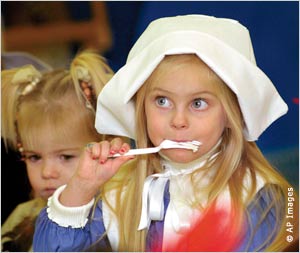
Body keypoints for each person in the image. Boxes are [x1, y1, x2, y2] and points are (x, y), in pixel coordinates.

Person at [33, 15, 299, 252]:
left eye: (198, 103)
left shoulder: (259, 200)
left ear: (232, 114)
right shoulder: (119, 193)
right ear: (141, 108)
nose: (178, 120)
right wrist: (81, 188)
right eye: (162, 101)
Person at [1, 50, 114, 251]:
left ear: (106, 147)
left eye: (66, 156)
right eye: (34, 157)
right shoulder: (20, 218)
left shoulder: (116, 221)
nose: (47, 172)